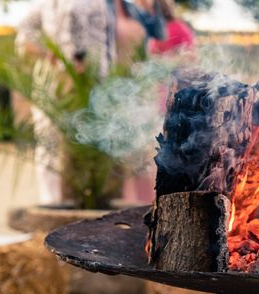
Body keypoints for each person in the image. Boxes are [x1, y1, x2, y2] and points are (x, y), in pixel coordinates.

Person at [16, 0, 165, 205]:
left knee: (98, 149)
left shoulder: (109, 4)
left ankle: (96, 205)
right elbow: (31, 31)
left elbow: (126, 38)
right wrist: (56, 57)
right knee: (57, 148)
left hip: (100, 84)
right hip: (68, 84)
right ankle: (58, 205)